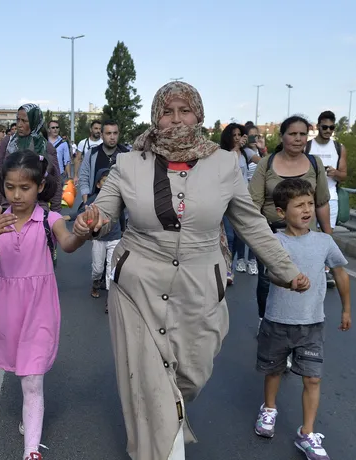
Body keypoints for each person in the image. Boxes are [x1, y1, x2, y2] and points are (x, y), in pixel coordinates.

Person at [73, 81, 309, 460]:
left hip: (202, 286)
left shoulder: (224, 163)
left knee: (192, 373)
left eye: (185, 110)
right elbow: (104, 208)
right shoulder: (130, 163)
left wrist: (286, 270)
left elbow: (250, 224)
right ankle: (160, 450)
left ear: (199, 114)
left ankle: (166, 420)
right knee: (150, 382)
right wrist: (92, 221)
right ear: (155, 117)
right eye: (168, 112)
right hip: (138, 286)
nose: (176, 119)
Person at [0, 150, 86, 460]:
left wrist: (83, 233)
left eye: (25, 188)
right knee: (21, 373)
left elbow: (69, 243)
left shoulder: (50, 219)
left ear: (39, 187)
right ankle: (29, 419)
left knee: (33, 378)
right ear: (2, 186)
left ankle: (31, 450)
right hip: (8, 308)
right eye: (10, 187)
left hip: (40, 307)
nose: (17, 195)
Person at [254, 178, 351, 460]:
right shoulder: (274, 242)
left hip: (312, 324)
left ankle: (306, 433)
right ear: (282, 212)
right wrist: (287, 283)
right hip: (277, 320)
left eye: (310, 203)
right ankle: (269, 408)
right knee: (273, 371)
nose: (307, 210)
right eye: (299, 205)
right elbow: (270, 274)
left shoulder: (324, 241)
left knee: (313, 378)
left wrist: (346, 309)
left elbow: (341, 273)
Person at [249, 115, 332, 324]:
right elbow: (252, 206)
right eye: (292, 134)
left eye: (302, 134)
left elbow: (321, 202)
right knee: (269, 280)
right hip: (272, 235)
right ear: (282, 136)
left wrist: (328, 239)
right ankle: (265, 320)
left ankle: (302, 324)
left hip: (307, 236)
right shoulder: (266, 165)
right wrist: (257, 238)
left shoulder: (315, 163)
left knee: (305, 280)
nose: (298, 139)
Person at [64, 167, 121, 312]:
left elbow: (122, 216)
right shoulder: (93, 200)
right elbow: (81, 212)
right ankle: (96, 282)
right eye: (104, 181)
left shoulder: (120, 198)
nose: (108, 184)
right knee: (98, 269)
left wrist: (124, 232)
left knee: (111, 270)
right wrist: (70, 217)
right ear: (98, 184)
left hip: (115, 238)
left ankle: (110, 299)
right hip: (99, 239)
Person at [0, 104, 62, 212]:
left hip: (37, 208)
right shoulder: (8, 143)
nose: (19, 125)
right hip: (9, 206)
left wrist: (56, 212)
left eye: (24, 121)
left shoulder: (46, 148)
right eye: (18, 119)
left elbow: (56, 181)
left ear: (34, 121)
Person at [307, 111, 348, 288]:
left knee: (327, 236)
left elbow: (344, 175)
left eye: (331, 127)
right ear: (318, 127)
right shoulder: (307, 147)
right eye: (324, 127)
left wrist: (335, 173)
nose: (328, 130)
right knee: (308, 234)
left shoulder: (339, 148)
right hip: (308, 197)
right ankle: (309, 268)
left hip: (330, 197)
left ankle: (324, 272)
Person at [219, 123, 257, 283]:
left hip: (243, 199)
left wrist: (256, 147)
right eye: (233, 135)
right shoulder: (223, 154)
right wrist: (235, 149)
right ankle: (228, 269)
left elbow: (264, 164)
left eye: (239, 135)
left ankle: (238, 264)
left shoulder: (246, 153)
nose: (236, 138)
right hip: (227, 199)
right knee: (229, 236)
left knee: (243, 234)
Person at [78, 120, 129, 203]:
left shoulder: (126, 154)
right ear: (101, 135)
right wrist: (86, 201)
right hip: (95, 202)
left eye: (115, 133)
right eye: (108, 133)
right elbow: (84, 177)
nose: (112, 137)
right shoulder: (92, 153)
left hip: (119, 205)